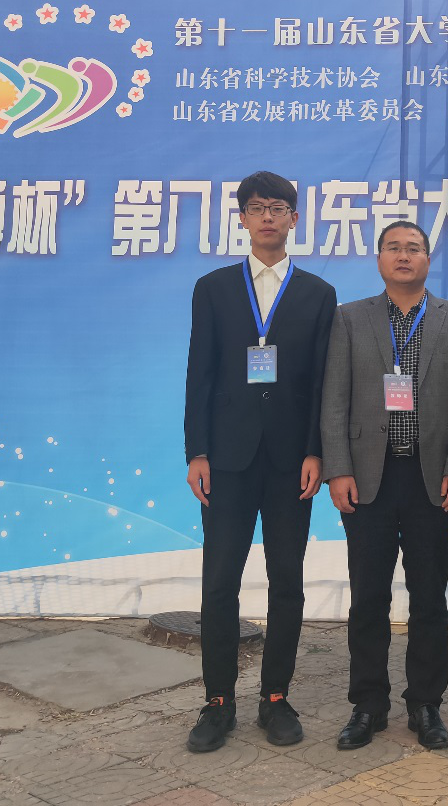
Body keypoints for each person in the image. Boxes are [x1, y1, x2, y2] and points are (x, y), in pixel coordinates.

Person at [183, 170, 337, 753]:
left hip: (291, 461)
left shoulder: (318, 294)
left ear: (294, 219)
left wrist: (317, 451)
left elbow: (322, 383)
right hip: (226, 459)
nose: (267, 216)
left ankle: (275, 696)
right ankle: (218, 700)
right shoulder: (214, 288)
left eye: (277, 207)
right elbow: (200, 372)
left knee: (287, 581)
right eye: (256, 207)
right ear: (243, 218)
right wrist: (197, 451)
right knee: (219, 580)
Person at [320, 220, 448, 751]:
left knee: (428, 596)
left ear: (428, 259)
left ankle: (426, 703)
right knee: (367, 596)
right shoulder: (349, 317)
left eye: (414, 248)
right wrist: (338, 468)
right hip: (368, 476)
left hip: (432, 479)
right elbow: (334, 398)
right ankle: (368, 705)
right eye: (394, 247)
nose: (404, 255)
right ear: (379, 258)